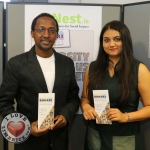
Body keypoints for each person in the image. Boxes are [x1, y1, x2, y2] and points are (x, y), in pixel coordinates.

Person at [0, 13, 80, 150]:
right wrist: (26, 127)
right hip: (29, 142)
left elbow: (73, 97)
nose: (47, 35)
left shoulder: (67, 63)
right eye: (41, 29)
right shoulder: (17, 63)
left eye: (52, 30)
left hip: (59, 141)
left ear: (56, 35)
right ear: (32, 33)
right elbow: (4, 102)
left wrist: (65, 116)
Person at [81, 20, 150, 150]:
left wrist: (126, 117)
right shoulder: (92, 68)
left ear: (125, 40)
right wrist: (86, 108)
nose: (111, 44)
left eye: (117, 39)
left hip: (124, 138)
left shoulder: (139, 69)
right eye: (106, 40)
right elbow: (84, 98)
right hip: (95, 137)